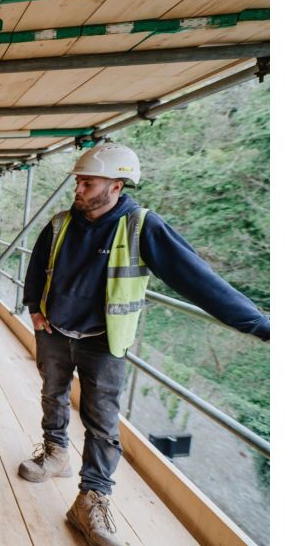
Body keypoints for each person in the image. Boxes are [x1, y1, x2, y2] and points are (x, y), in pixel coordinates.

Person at [19, 143, 270, 546]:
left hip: (104, 342)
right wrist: (34, 308)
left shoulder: (141, 226)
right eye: (79, 181)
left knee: (102, 423)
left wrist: (260, 325)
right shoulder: (60, 223)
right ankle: (55, 452)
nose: (78, 188)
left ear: (116, 185)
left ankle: (91, 499)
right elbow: (37, 267)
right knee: (53, 395)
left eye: (88, 182)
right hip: (54, 331)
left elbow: (198, 280)